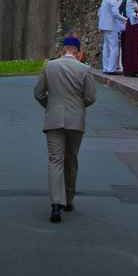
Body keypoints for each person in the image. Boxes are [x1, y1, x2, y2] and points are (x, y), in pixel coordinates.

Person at [33, 37, 96, 224]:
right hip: (75, 121)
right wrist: (78, 106)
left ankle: (55, 203)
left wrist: (50, 106)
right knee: (71, 159)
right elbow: (91, 97)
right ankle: (68, 199)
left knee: (55, 160)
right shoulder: (84, 69)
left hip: (53, 119)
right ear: (77, 51)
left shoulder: (49, 67)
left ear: (63, 50)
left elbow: (38, 93)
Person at [98, 0, 125, 74]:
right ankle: (111, 69)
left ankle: (106, 68)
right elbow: (115, 14)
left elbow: (100, 12)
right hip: (111, 26)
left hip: (104, 26)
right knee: (114, 47)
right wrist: (125, 19)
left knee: (106, 47)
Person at [119, 0, 138, 76]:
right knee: (135, 47)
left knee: (129, 47)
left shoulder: (127, 1)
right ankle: (135, 69)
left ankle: (129, 69)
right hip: (134, 26)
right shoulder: (132, 1)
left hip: (130, 25)